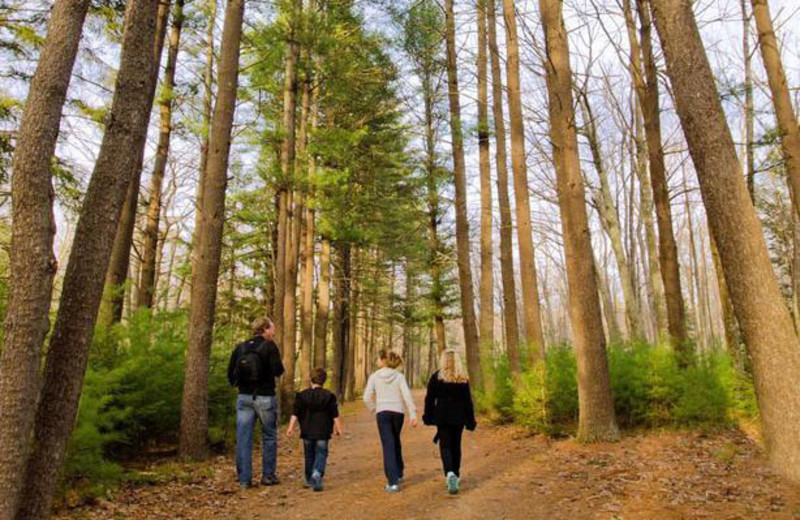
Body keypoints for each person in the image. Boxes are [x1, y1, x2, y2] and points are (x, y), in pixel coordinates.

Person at [227, 317, 285, 490]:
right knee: (269, 436)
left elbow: (231, 374)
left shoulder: (241, 347)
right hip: (265, 397)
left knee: (243, 438)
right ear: (265, 329)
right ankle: (267, 476)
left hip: (244, 398)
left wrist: (241, 387)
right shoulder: (269, 346)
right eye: (272, 328)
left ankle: (244, 479)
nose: (274, 332)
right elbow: (278, 370)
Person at [422, 349, 476, 495]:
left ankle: (450, 473)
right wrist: (471, 420)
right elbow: (468, 402)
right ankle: (456, 475)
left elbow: (429, 399)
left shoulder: (437, 377)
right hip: (458, 417)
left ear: (443, 360)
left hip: (443, 416)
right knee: (456, 445)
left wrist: (428, 416)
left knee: (445, 445)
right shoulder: (462, 379)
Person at [363, 349, 417, 492]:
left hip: (383, 413)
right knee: (394, 440)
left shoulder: (374, 377)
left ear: (383, 360)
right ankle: (399, 473)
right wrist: (412, 414)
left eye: (378, 358)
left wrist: (374, 409)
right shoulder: (399, 377)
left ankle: (393, 482)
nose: (376, 361)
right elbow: (407, 396)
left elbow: (366, 397)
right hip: (398, 413)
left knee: (388, 445)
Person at [286, 368, 342, 492]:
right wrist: (338, 428)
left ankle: (309, 479)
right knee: (322, 453)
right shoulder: (329, 396)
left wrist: (290, 427)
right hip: (323, 431)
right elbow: (335, 414)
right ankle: (317, 473)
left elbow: (295, 413)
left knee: (309, 455)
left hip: (307, 431)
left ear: (311, 380)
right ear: (324, 381)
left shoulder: (302, 396)